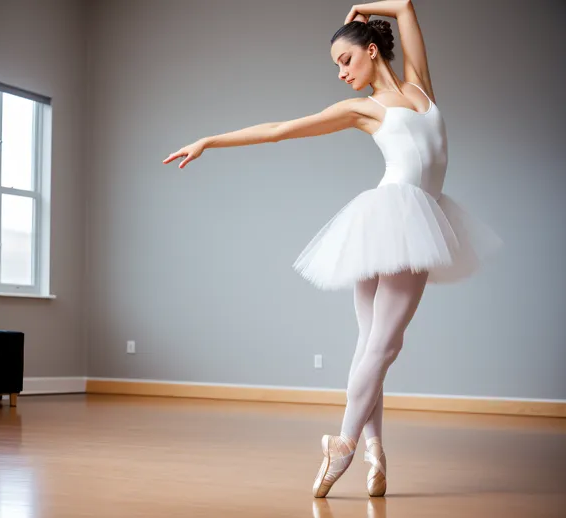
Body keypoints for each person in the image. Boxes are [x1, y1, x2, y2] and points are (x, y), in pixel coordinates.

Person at [163, 0, 501, 499]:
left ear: (370, 50)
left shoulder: (419, 88)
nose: (341, 74)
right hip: (388, 216)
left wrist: (364, 6)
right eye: (336, 68)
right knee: (378, 344)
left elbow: (405, 7)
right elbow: (279, 131)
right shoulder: (361, 110)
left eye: (345, 61)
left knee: (378, 346)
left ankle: (371, 450)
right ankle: (345, 444)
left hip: (413, 215)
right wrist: (210, 140)